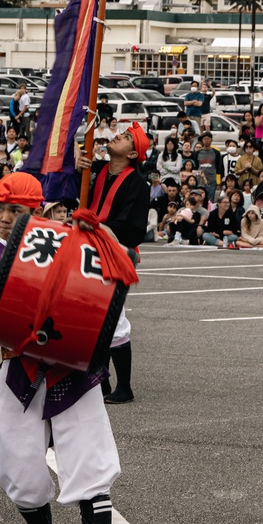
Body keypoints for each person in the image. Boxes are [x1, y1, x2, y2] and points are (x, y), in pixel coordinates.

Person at [0, 172, 145, 524]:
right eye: (1, 209)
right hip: (18, 374)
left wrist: (94, 234)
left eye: (16, 211)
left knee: (90, 461)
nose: (5, 218)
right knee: (13, 461)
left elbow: (114, 278)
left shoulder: (70, 247)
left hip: (71, 374)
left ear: (38, 213)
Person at [75, 122, 151, 404]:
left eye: (127, 137)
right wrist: (76, 166)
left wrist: (101, 228)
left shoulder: (137, 184)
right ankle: (100, 381)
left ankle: (125, 386)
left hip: (116, 252)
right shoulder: (94, 170)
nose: (118, 135)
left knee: (113, 319)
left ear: (133, 154)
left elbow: (135, 230)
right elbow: (73, 196)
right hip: (86, 248)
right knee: (92, 318)